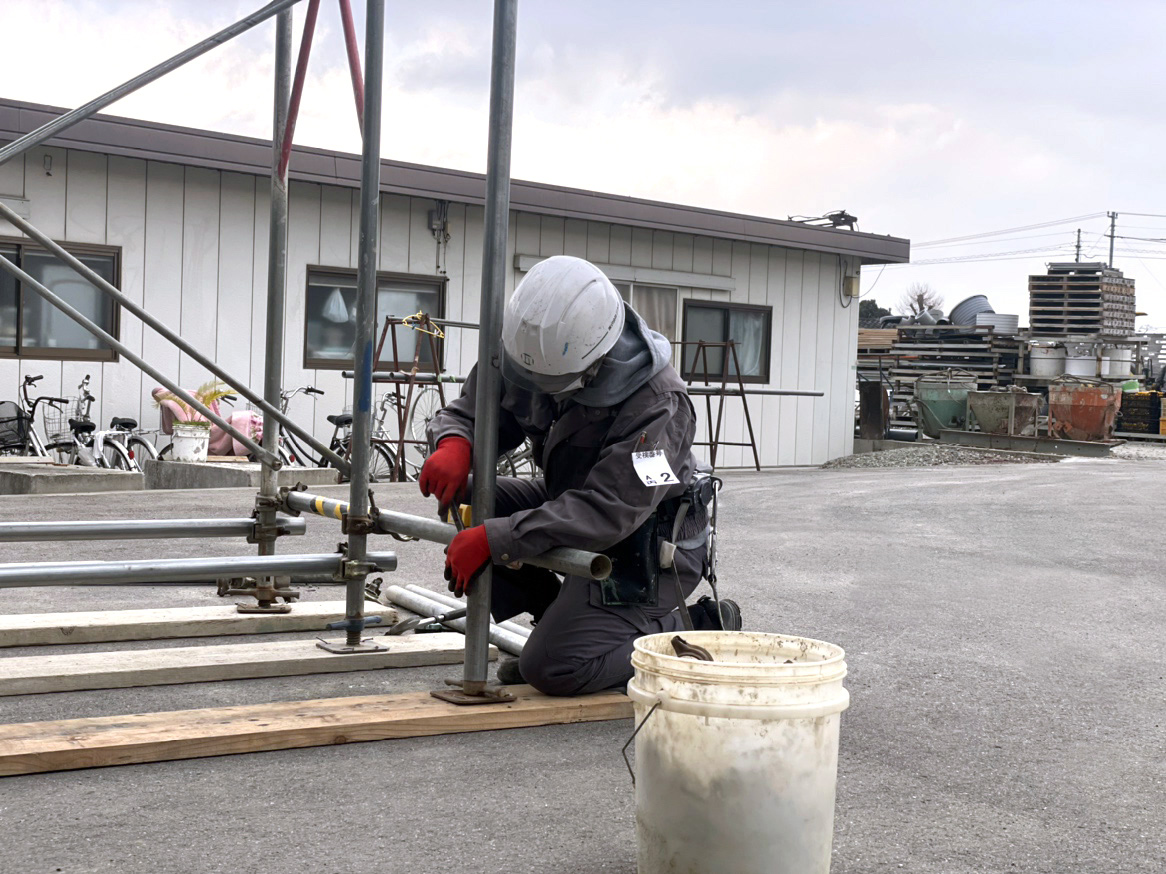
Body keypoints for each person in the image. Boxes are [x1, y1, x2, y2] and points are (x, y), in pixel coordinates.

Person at [419, 255, 739, 696]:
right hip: (572, 503)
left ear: (595, 363)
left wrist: (496, 539)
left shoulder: (657, 402)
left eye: (550, 383)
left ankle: (698, 625)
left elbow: (610, 510)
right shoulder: (533, 351)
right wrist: (456, 442)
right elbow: (474, 411)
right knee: (474, 499)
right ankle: (556, 619)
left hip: (649, 539)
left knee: (554, 669)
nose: (534, 386)